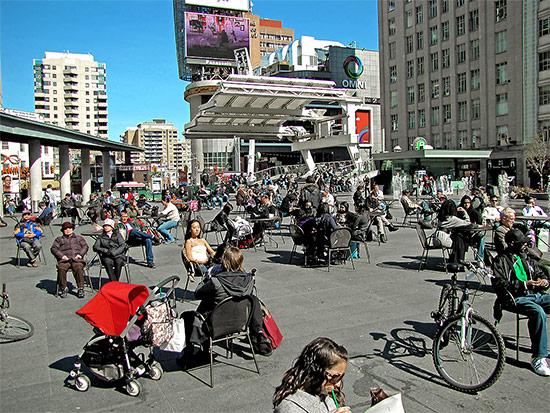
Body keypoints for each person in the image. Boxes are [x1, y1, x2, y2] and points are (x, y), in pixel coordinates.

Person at [189, 247, 272, 357]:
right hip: (241, 321)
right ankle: (258, 334)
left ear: (223, 262)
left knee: (193, 313)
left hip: (216, 323)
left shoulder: (216, 281)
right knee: (254, 300)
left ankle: (202, 351)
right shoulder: (249, 280)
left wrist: (205, 279)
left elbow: (197, 293)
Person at [492, 228, 550, 376]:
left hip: (534, 294)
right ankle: (538, 357)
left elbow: (540, 272)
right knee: (537, 312)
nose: (525, 245)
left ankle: (541, 348)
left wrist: (544, 281)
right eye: (522, 243)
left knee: (539, 307)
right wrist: (524, 284)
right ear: (512, 243)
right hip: (514, 298)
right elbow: (499, 284)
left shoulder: (526, 257)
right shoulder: (501, 260)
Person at [273, 337, 351, 413]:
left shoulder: (328, 394)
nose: (338, 384)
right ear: (316, 372)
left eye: (341, 377)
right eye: (335, 377)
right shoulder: (289, 408)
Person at [51, 222, 89, 298]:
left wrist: (80, 254)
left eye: (69, 228)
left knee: (78, 267)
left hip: (76, 259)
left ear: (72, 229)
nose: (68, 230)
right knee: (61, 268)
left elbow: (85, 246)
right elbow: (54, 248)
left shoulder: (79, 238)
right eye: (65, 229)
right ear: (63, 230)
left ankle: (80, 288)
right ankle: (63, 287)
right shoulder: (59, 239)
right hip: (65, 259)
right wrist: (61, 256)